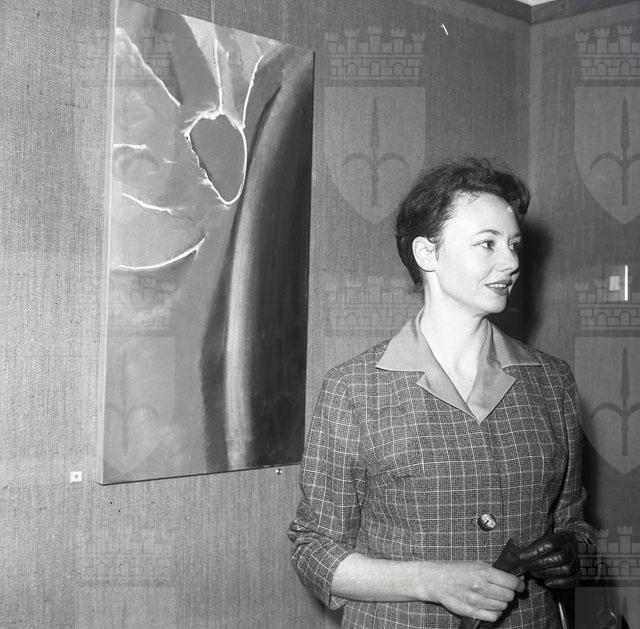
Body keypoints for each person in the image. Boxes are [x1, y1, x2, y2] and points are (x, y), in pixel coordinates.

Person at [288, 158, 594, 628]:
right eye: (487, 244)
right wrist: (428, 581)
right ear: (427, 253)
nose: (511, 262)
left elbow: (574, 523)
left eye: (513, 245)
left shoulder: (552, 381)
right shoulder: (354, 388)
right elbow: (314, 549)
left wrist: (575, 551)